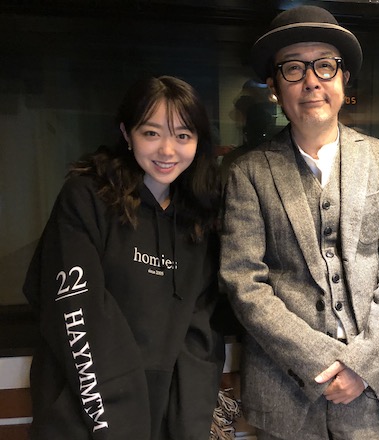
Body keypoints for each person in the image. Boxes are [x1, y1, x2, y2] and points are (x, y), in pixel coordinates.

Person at [219, 5, 379, 440]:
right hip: (286, 391)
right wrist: (320, 362)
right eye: (293, 69)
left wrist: (362, 365)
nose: (311, 81)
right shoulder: (248, 172)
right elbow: (244, 282)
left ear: (343, 78)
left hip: (374, 391)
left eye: (324, 66)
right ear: (275, 88)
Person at [23, 75, 225, 439]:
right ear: (126, 133)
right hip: (84, 415)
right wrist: (115, 426)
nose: (167, 150)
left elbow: (199, 334)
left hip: (163, 417)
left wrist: (191, 426)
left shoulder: (198, 219)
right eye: (151, 133)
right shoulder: (85, 198)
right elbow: (76, 315)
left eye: (183, 136)